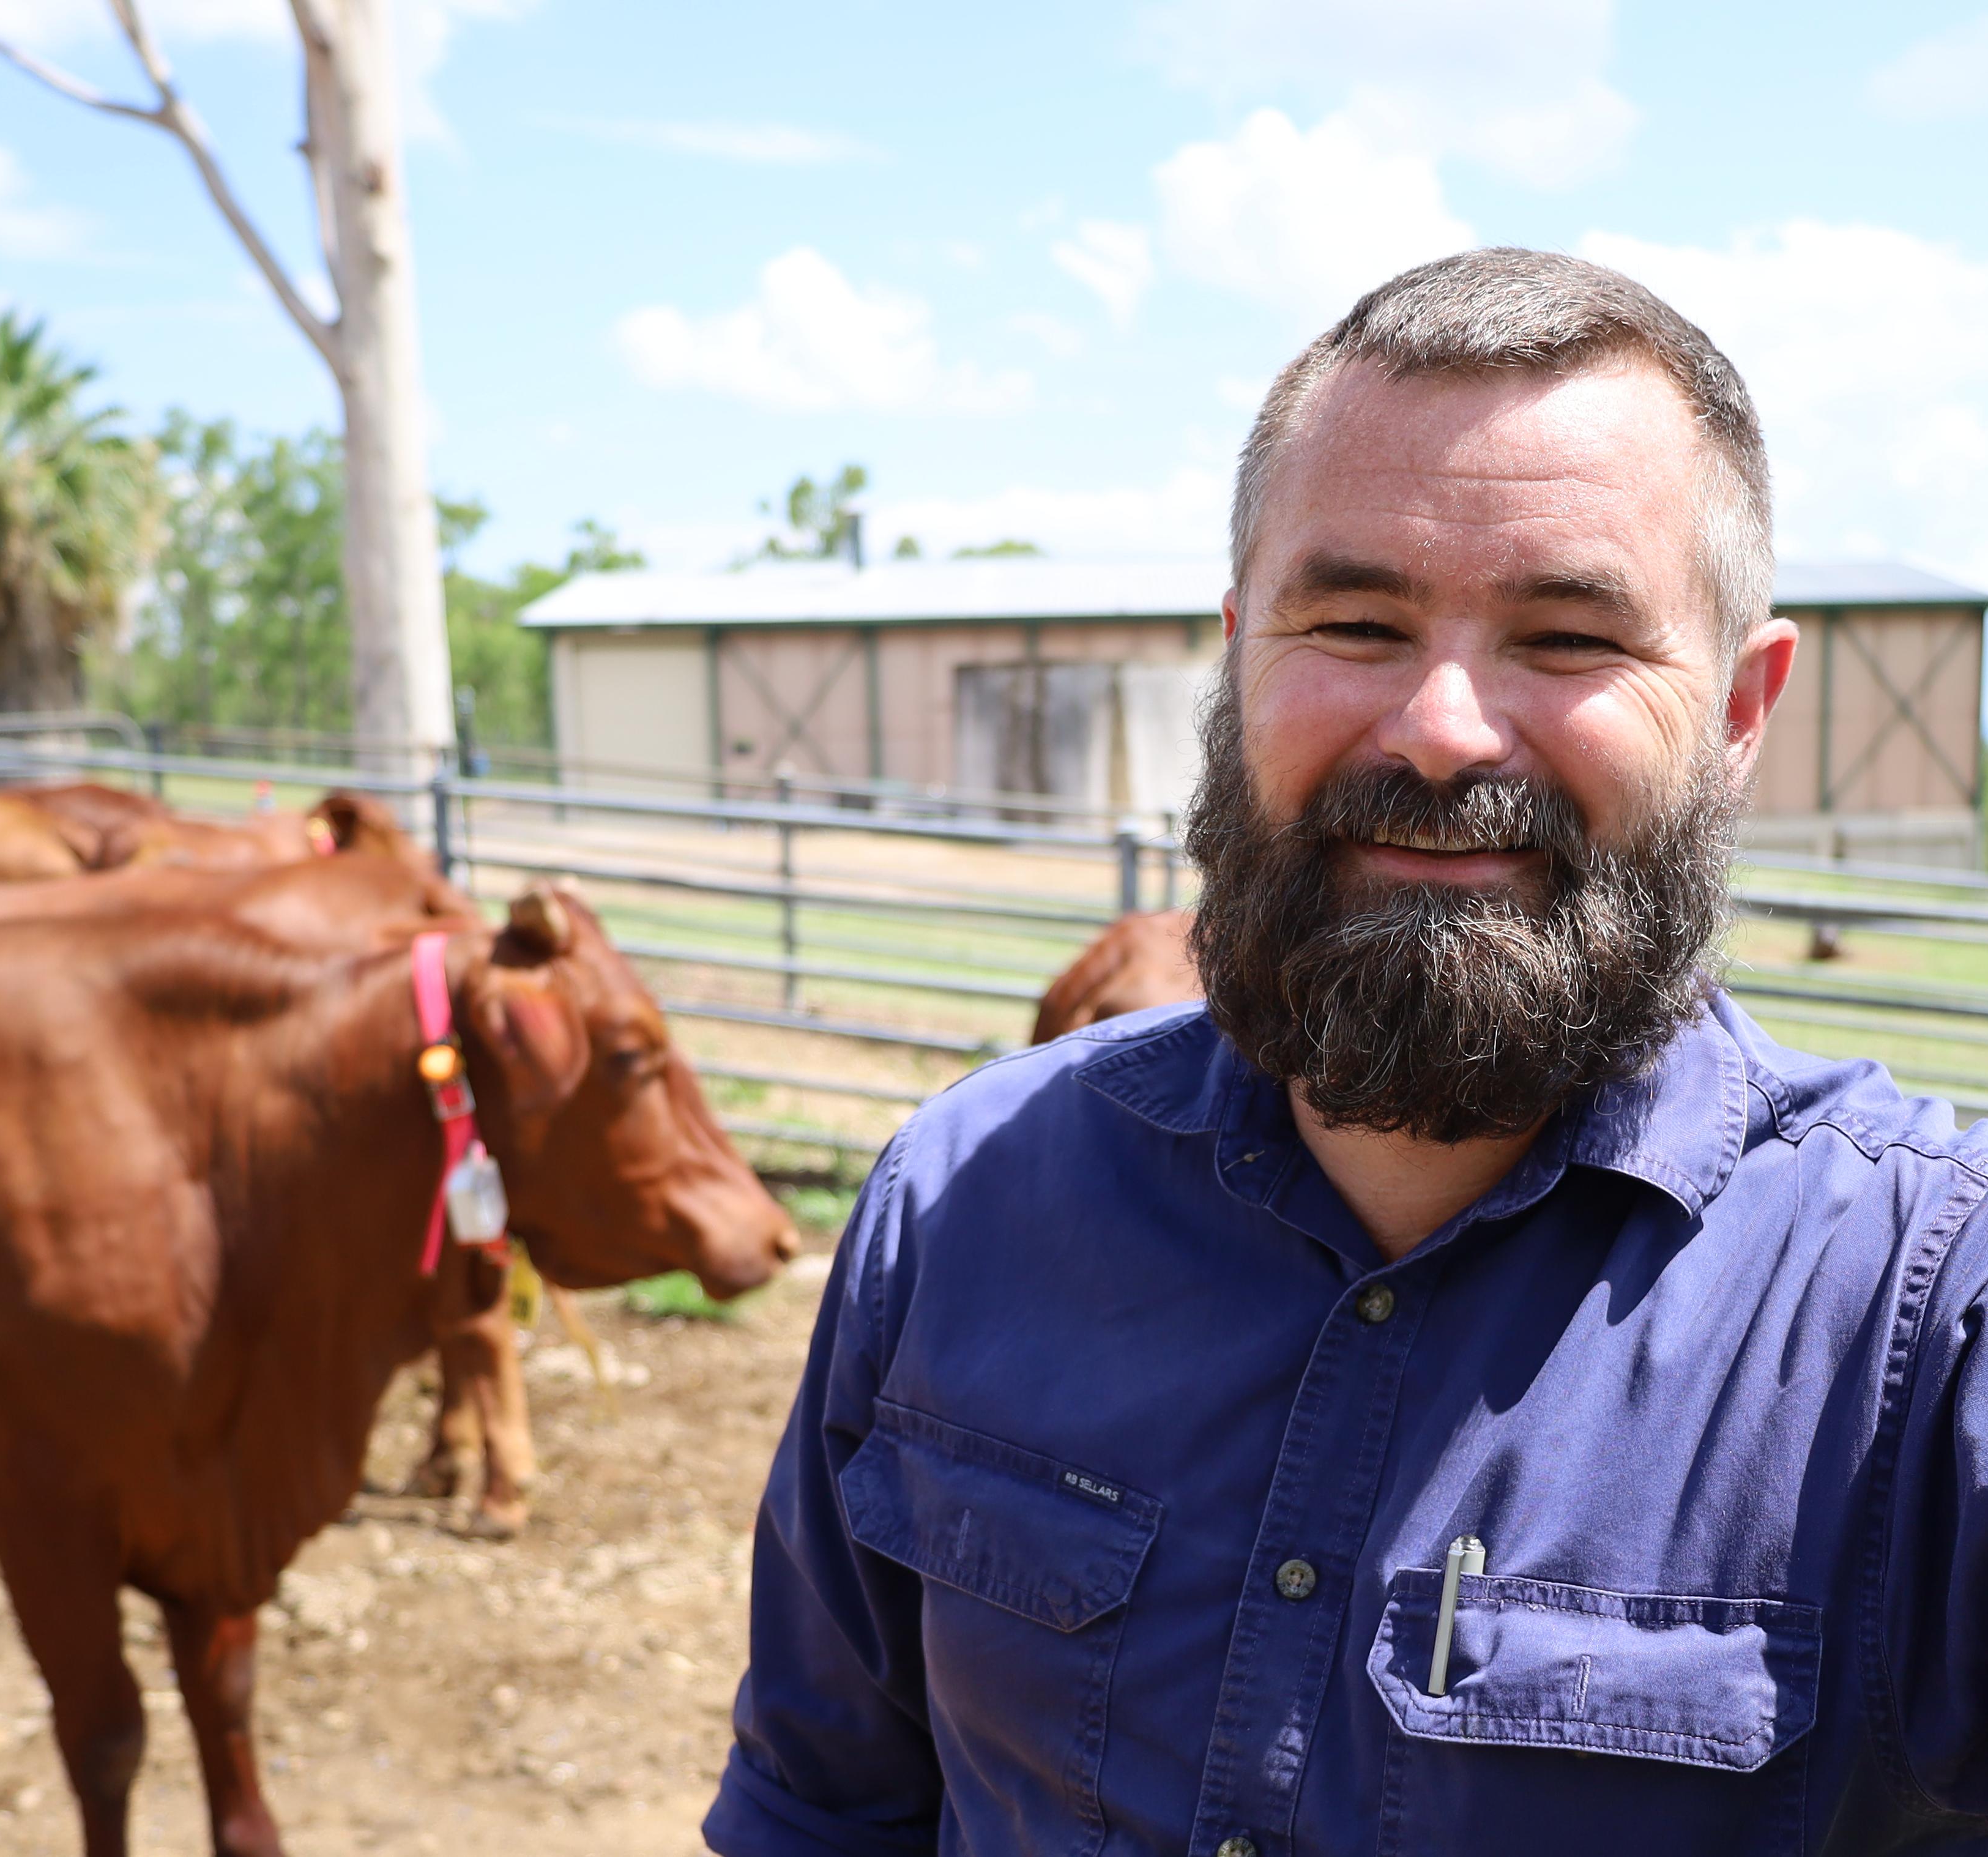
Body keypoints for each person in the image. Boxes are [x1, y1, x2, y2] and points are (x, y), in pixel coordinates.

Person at [704, 248, 1988, 1857]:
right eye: (1360, 619)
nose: (1443, 727)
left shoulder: (1924, 1330)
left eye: (1569, 637)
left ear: (1740, 707)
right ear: (1239, 657)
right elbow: (825, 1813)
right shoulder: (962, 1202)